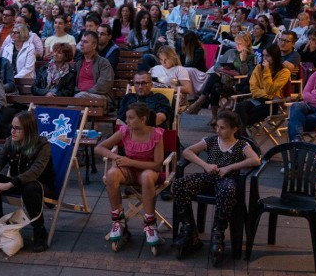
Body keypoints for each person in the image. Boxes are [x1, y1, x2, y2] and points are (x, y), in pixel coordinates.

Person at [171, 110, 260, 260]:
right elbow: (187, 152)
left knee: (227, 190)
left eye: (222, 128)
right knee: (179, 185)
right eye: (217, 127)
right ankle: (188, 230)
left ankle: (218, 233)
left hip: (226, 180)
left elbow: (255, 160)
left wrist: (230, 167)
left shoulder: (241, 145)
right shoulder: (211, 140)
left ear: (234, 129)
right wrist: (205, 165)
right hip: (208, 177)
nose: (218, 130)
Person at [95, 103, 164, 251]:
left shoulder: (156, 134)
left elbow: (157, 165)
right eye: (126, 117)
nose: (127, 121)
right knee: (112, 174)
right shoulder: (125, 131)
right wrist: (116, 157)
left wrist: (130, 161)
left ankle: (150, 223)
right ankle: (118, 221)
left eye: (131, 118)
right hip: (129, 171)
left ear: (143, 119)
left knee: (146, 177)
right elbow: (99, 148)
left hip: (148, 171)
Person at [0, 111, 55, 252]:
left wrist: (10, 184)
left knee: (30, 187)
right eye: (12, 127)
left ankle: (39, 230)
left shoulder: (42, 145)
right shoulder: (11, 141)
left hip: (40, 187)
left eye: (17, 128)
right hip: (18, 183)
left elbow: (35, 172)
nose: (13, 131)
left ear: (28, 130)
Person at [233, 44, 291, 133]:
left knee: (242, 118)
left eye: (267, 56)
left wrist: (266, 71)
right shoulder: (259, 67)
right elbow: (253, 89)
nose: (264, 58)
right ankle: (243, 137)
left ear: (275, 56)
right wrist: (271, 96)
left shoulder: (284, 72)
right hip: (259, 99)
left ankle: (242, 138)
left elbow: (270, 89)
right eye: (263, 55)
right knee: (239, 107)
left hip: (271, 104)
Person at [73, 31, 114, 111]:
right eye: (81, 41)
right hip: (79, 97)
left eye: (85, 42)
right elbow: (74, 84)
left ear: (94, 45)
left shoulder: (103, 62)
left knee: (80, 97)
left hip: (100, 98)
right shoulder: (78, 64)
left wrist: (86, 92)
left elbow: (104, 85)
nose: (81, 44)